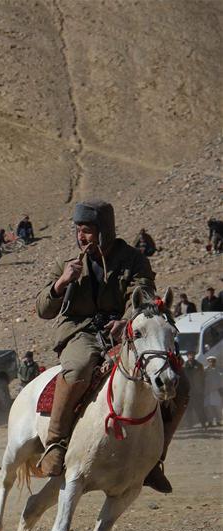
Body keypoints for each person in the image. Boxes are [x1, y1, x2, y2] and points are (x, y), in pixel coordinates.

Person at [35, 199, 188, 492]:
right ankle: (55, 444)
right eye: (79, 230)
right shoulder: (65, 263)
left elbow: (144, 295)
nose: (82, 236)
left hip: (125, 331)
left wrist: (126, 321)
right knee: (79, 367)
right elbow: (43, 309)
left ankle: (155, 460)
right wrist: (62, 283)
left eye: (88, 231)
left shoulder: (132, 260)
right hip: (81, 331)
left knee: (181, 387)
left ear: (104, 230)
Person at [182, 352, 207, 428]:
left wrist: (202, 389)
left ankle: (203, 423)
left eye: (192, 355)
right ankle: (189, 424)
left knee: (199, 408)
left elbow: (203, 378)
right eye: (189, 355)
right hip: (188, 391)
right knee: (188, 409)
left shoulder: (199, 365)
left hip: (197, 390)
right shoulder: (183, 366)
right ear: (187, 356)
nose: (191, 356)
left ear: (194, 356)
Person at [204, 356, 222, 427]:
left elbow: (221, 380)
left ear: (215, 362)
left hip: (216, 391)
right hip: (207, 391)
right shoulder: (205, 370)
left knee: (217, 407)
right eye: (210, 361)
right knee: (209, 408)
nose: (211, 363)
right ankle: (210, 421)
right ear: (208, 362)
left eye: (213, 361)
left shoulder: (219, 369)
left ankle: (219, 421)